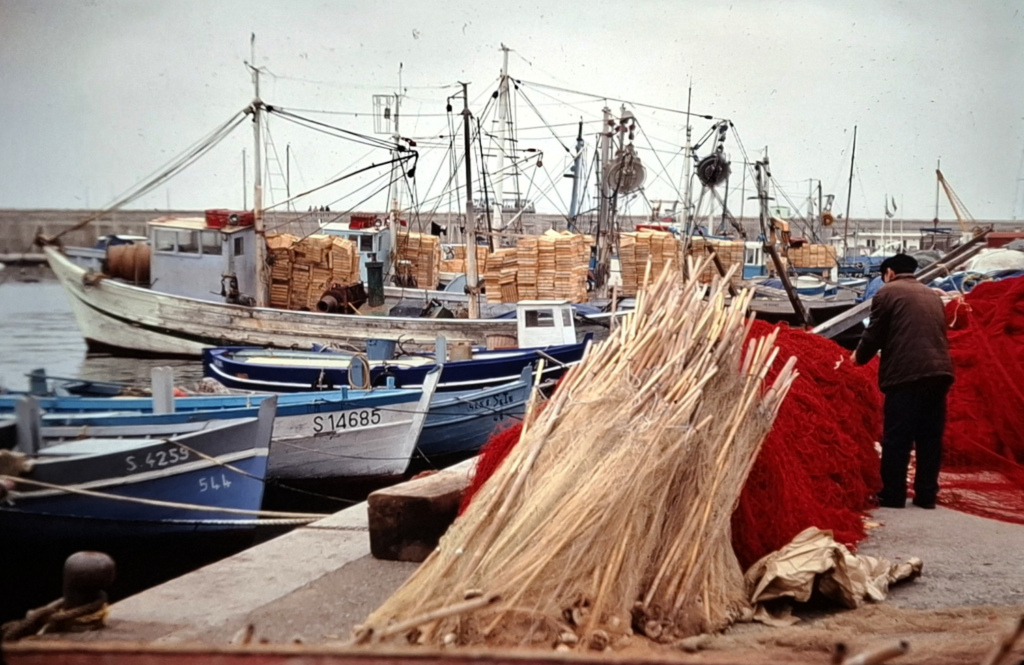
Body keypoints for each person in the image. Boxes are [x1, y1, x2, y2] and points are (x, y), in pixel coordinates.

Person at [852, 253, 954, 509]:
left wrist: (857, 358)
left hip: (906, 375)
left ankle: (894, 494)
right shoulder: (932, 295)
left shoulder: (887, 293)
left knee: (897, 438)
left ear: (889, 273)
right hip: (940, 373)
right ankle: (927, 496)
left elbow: (873, 333)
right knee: (930, 437)